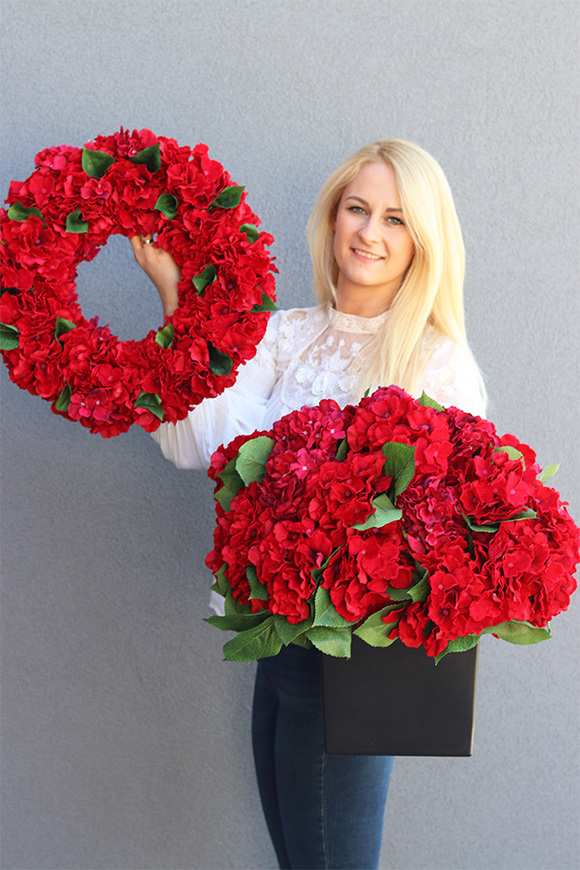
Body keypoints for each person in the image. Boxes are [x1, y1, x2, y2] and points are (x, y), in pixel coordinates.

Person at [130, 139, 486, 870]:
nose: (369, 232)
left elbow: (447, 524)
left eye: (396, 218)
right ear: (330, 219)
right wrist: (176, 299)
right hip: (280, 641)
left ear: (423, 239)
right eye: (357, 209)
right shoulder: (281, 333)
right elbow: (199, 446)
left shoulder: (435, 358)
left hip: (360, 658)